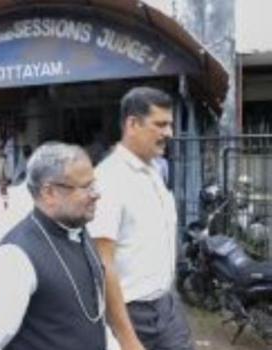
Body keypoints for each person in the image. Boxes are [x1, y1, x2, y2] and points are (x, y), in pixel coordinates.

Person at [0, 142, 107, 350]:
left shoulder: (79, 230)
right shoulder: (14, 256)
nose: (96, 194)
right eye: (85, 187)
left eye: (94, 184)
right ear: (49, 193)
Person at [88, 87, 194, 350]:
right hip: (133, 314)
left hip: (166, 304)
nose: (169, 133)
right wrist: (127, 338)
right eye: (160, 124)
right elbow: (104, 263)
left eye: (169, 124)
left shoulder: (154, 170)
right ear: (132, 124)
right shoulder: (109, 179)